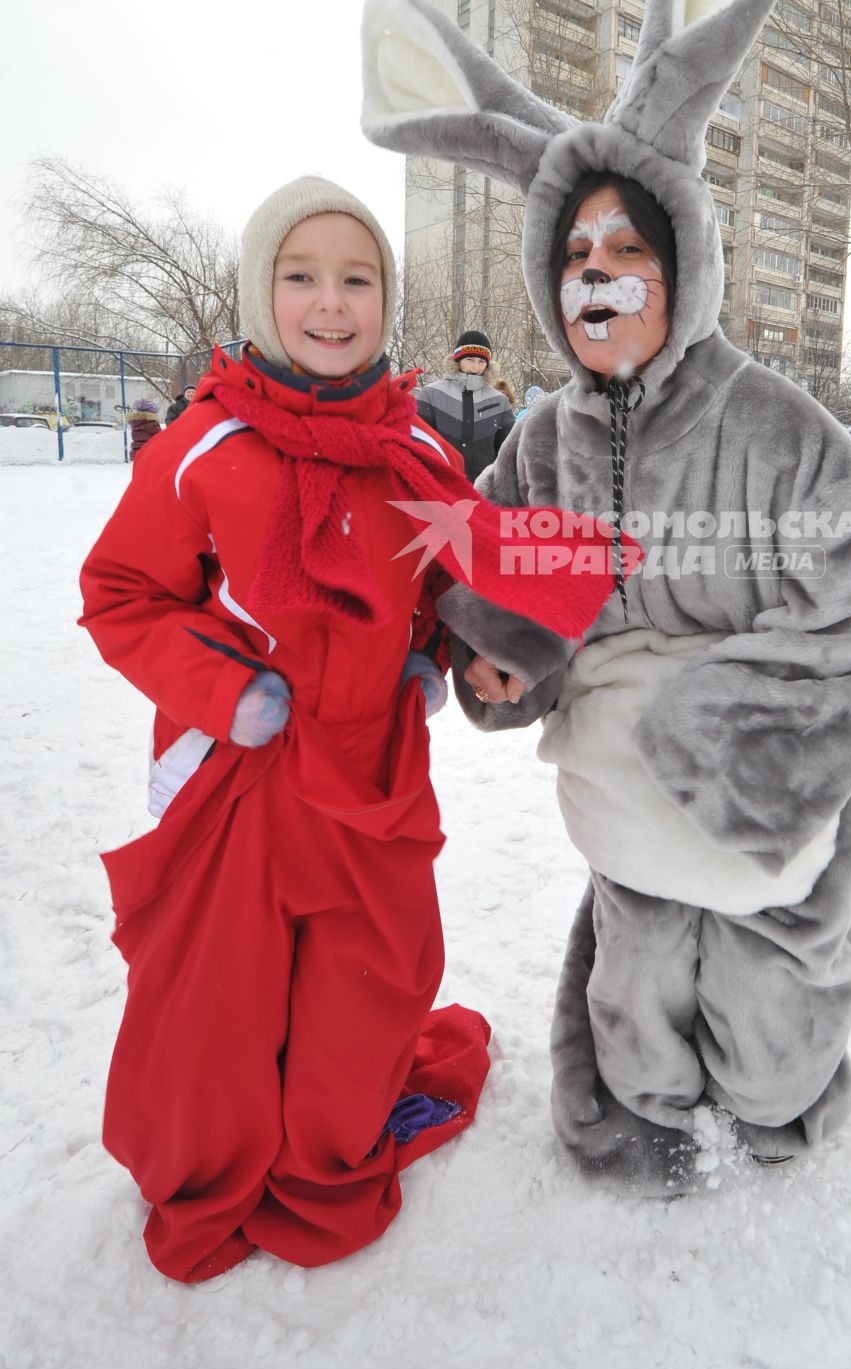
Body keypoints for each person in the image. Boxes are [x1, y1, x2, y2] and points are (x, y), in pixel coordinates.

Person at [360, 0, 851, 1193]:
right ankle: (633, 1104)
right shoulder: (546, 439)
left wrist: (726, 736)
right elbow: (512, 602)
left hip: (759, 822)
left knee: (769, 1016)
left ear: (681, 259)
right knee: (638, 991)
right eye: (573, 257)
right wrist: (506, 674)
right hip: (618, 819)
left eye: (627, 244)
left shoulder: (767, 419)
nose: (598, 274)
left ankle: (779, 1103)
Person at [79, 175, 624, 1282]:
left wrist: (451, 655)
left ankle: (327, 1154)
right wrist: (224, 694)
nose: (331, 303)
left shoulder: (418, 457)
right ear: (259, 291)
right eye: (301, 277)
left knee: (365, 983)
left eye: (357, 279)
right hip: (237, 779)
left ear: (385, 301)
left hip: (375, 773)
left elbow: (442, 591)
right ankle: (210, 1164)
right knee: (216, 1006)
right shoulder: (197, 448)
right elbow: (122, 596)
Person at [416, 331, 515, 481]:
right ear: (458, 359)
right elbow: (418, 445)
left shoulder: (499, 401)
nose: (475, 367)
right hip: (439, 486)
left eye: (481, 361)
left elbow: (508, 453)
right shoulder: (431, 394)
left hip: (483, 490)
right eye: (469, 359)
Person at [126, 397, 162, 463]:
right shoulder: (152, 424)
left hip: (137, 452)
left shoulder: (135, 423)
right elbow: (160, 438)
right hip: (150, 454)